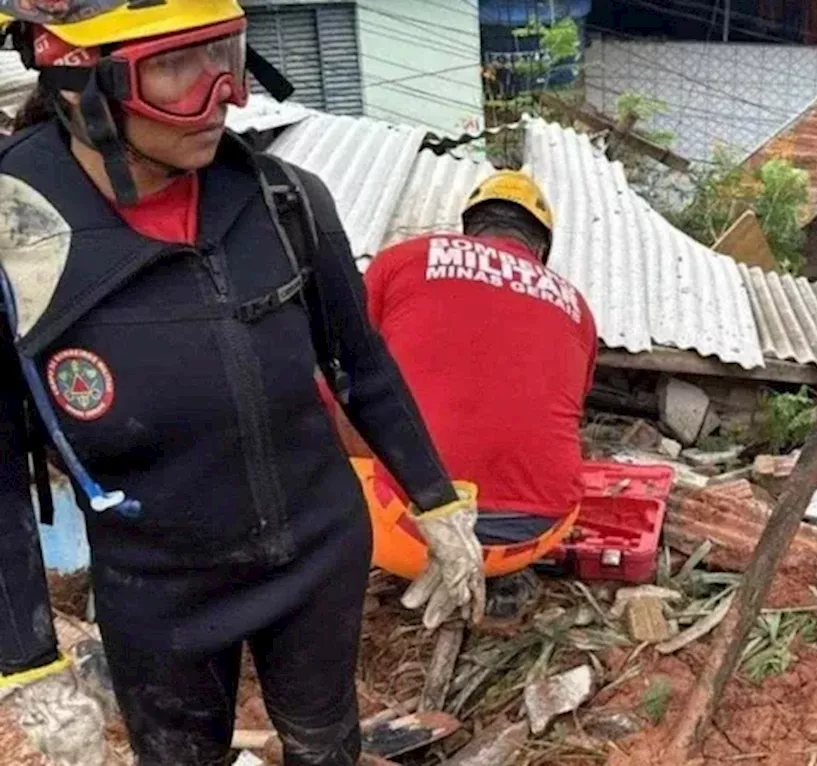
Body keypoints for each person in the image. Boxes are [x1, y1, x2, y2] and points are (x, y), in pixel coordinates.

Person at [0, 3, 483, 764]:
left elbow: (362, 367)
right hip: (159, 591)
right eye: (176, 67)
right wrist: (26, 664)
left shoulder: (283, 200)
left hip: (319, 552)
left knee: (328, 748)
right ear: (76, 82)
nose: (223, 94)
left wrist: (440, 503)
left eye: (225, 53)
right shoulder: (12, 242)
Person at [326, 171, 597, 610]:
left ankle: (335, 552)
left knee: (332, 390)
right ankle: (502, 578)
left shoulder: (402, 259)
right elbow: (572, 407)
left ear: (469, 229)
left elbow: (340, 366)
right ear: (541, 249)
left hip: (406, 536)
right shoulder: (576, 304)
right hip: (535, 535)